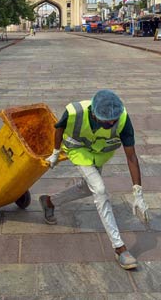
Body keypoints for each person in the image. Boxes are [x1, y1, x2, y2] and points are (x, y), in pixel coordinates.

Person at [40, 89, 149, 270]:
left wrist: (138, 193)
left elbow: (131, 157)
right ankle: (119, 248)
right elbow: (59, 128)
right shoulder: (75, 111)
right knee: (99, 190)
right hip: (78, 150)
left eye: (113, 120)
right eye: (106, 121)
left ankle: (49, 201)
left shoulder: (122, 118)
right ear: (93, 113)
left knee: (86, 188)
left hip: (98, 153)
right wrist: (55, 152)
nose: (111, 123)